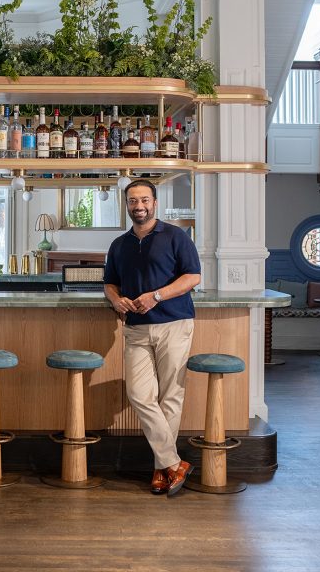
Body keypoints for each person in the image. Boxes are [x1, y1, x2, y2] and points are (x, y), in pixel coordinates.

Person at [104, 179, 201, 496]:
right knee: (139, 395)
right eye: (133, 201)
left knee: (170, 397)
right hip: (135, 328)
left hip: (174, 323)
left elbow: (193, 276)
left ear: (155, 202)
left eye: (144, 200)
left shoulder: (176, 236)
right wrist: (115, 299)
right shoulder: (119, 245)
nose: (139, 206)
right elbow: (110, 283)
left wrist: (156, 296)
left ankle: (161, 470)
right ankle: (174, 464)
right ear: (127, 205)